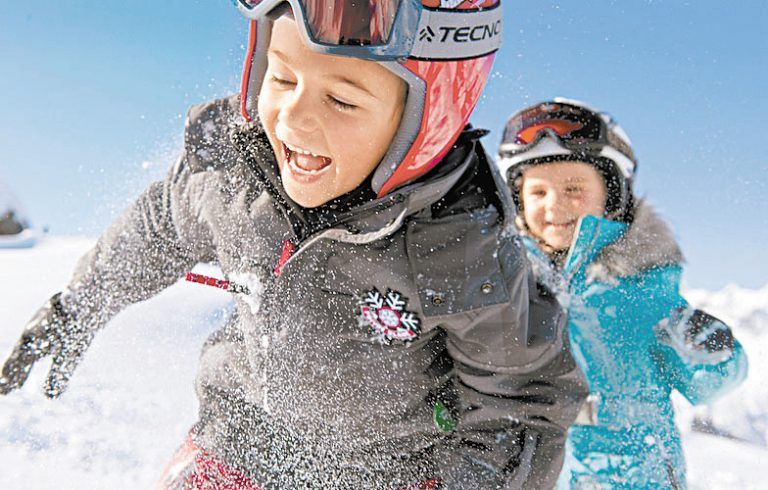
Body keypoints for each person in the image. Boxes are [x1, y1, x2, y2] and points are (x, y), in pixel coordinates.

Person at [0, 2, 588, 488]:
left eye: (344, 100)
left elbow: (518, 399)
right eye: (281, 78)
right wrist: (76, 308)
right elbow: (156, 228)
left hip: (391, 474)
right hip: (236, 444)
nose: (294, 118)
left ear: (428, 119)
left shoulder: (457, 246)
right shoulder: (233, 180)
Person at [496, 98, 748, 489]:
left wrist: (717, 354)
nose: (554, 205)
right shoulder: (504, 290)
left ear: (612, 193)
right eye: (538, 192)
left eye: (574, 188)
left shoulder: (643, 292)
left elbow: (704, 384)